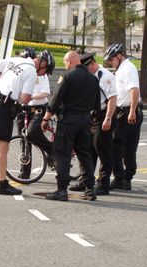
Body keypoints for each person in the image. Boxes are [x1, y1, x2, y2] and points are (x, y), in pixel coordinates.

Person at [0, 50, 55, 195]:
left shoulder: (18, 60)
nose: (42, 75)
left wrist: (0, 82)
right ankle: (2, 183)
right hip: (3, 106)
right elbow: (25, 98)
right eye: (45, 71)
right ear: (42, 64)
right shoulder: (31, 71)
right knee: (3, 147)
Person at [40, 51, 101, 201]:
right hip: (85, 119)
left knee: (63, 153)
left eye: (65, 62)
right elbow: (97, 104)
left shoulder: (67, 76)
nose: (65, 65)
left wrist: (46, 119)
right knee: (84, 154)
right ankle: (90, 189)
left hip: (69, 119)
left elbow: (55, 99)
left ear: (70, 61)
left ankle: (62, 190)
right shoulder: (93, 79)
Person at [70, 52, 117, 195]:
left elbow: (113, 99)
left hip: (103, 115)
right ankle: (86, 181)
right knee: (87, 151)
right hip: (91, 116)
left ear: (91, 63)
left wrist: (108, 118)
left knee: (103, 150)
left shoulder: (106, 76)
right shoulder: (90, 76)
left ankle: (103, 184)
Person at [104, 43, 143, 191]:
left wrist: (132, 111)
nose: (111, 63)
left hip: (128, 111)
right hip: (122, 111)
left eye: (112, 59)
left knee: (127, 146)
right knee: (118, 145)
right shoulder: (121, 69)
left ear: (119, 56)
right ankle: (122, 177)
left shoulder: (128, 68)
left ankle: (124, 177)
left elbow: (134, 90)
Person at [16, 48, 55, 179]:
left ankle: (51, 150)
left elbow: (46, 93)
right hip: (24, 108)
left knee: (32, 132)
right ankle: (24, 171)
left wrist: (31, 97)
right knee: (23, 139)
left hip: (38, 108)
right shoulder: (22, 73)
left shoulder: (42, 74)